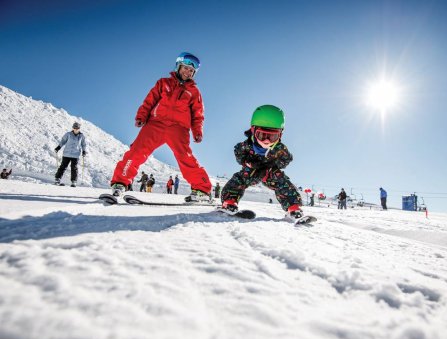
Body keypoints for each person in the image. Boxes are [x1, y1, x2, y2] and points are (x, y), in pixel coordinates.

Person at [109, 52, 211, 201]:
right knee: (136, 151)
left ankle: (202, 189)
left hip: (178, 128)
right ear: (178, 67)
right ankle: (120, 182)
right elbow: (150, 100)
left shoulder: (194, 91)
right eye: (185, 68)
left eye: (191, 70)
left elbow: (198, 114)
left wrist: (197, 131)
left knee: (186, 158)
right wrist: (141, 116)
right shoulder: (163, 83)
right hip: (155, 124)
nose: (187, 72)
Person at [221, 105, 304, 219]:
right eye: (262, 135)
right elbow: (238, 154)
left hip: (269, 173)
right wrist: (247, 162)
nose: (266, 141)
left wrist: (273, 165)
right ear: (253, 131)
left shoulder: (279, 149)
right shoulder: (245, 146)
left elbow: (287, 159)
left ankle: (293, 208)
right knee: (240, 178)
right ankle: (229, 201)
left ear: (280, 135)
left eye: (272, 137)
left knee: (281, 180)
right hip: (252, 170)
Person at [54, 122, 87, 187]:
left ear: (79, 128)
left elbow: (83, 144)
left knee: (74, 168)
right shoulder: (68, 134)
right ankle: (57, 179)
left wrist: (84, 151)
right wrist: (58, 147)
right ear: (73, 128)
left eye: (77, 128)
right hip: (67, 153)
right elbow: (63, 141)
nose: (76, 129)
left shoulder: (81, 136)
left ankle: (74, 181)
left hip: (75, 155)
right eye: (74, 128)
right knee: (63, 166)